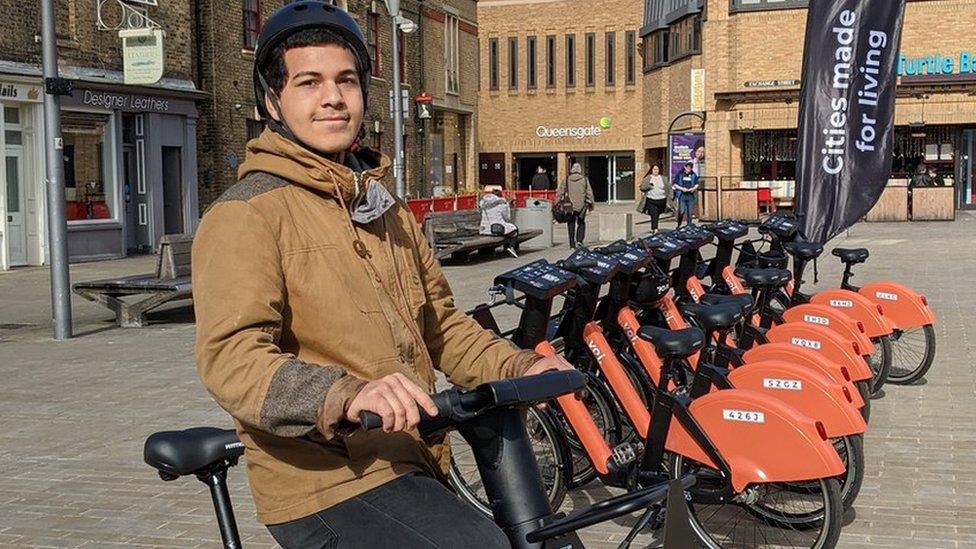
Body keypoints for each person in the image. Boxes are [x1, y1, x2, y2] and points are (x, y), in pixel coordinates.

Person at [190, 3, 571, 548]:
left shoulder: (382, 206)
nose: (332, 97)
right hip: (322, 481)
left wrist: (521, 365)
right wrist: (346, 395)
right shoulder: (247, 213)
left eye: (346, 80)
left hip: (405, 455)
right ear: (273, 101)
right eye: (309, 82)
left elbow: (440, 325)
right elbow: (232, 357)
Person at [556, 162, 595, 247]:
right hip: (582, 206)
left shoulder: (566, 180)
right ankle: (579, 240)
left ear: (572, 170)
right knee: (581, 223)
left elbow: (560, 192)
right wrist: (591, 205)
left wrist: (557, 203)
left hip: (569, 206)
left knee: (571, 223)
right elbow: (589, 193)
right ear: (580, 170)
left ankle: (572, 244)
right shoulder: (584, 179)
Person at [479, 188, 519, 257]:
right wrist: (508, 206)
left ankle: (489, 250)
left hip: (484, 230)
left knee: (508, 229)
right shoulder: (502, 204)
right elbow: (507, 218)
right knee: (515, 230)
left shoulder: (484, 204)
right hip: (496, 229)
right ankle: (511, 247)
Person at [636, 164, 667, 232]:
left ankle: (654, 227)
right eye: (654, 169)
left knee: (657, 214)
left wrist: (671, 196)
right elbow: (642, 187)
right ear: (651, 170)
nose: (656, 171)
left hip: (662, 199)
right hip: (651, 199)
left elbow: (668, 188)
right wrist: (649, 186)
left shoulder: (663, 178)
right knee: (654, 214)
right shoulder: (648, 178)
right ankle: (655, 229)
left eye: (657, 169)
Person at [672, 162, 699, 226]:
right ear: (685, 167)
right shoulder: (680, 174)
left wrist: (693, 188)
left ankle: (689, 225)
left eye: (690, 168)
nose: (689, 169)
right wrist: (682, 188)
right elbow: (675, 184)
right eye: (688, 168)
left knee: (690, 212)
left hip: (690, 195)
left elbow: (696, 184)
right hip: (682, 195)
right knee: (682, 211)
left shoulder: (693, 174)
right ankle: (679, 224)